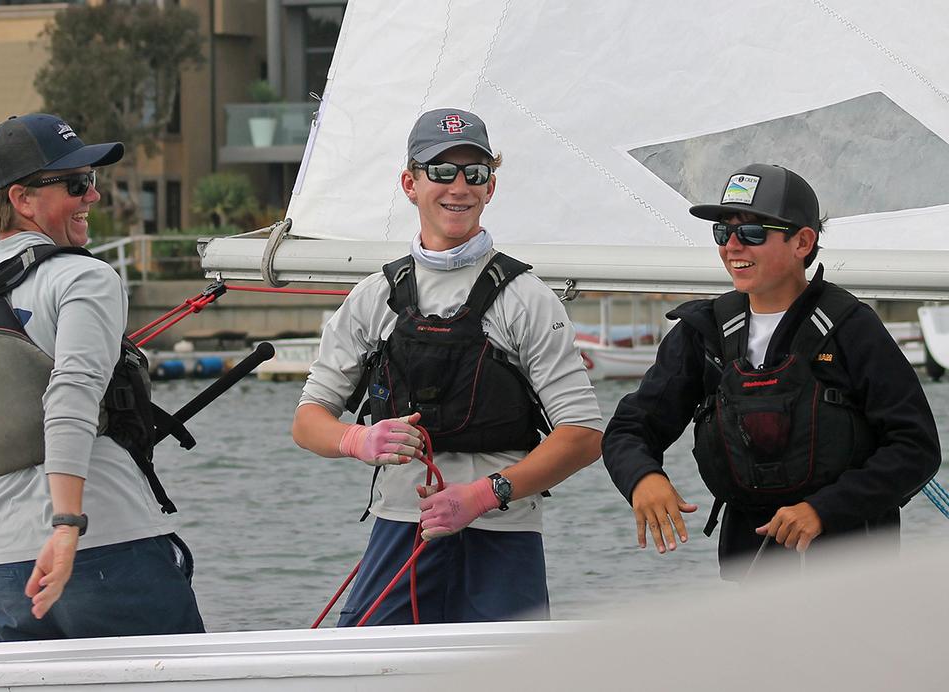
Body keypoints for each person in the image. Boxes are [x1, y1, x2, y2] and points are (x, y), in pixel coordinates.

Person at [292, 108, 603, 624]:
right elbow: (308, 421)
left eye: (474, 173)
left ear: (490, 187)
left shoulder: (529, 300)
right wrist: (356, 440)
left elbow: (584, 435)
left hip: (504, 529)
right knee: (361, 666)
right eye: (440, 171)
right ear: (410, 184)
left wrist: (484, 496)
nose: (458, 186)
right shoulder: (374, 297)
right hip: (402, 525)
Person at [0, 113, 205, 641]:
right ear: (21, 199)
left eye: (91, 182)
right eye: (77, 184)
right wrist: (65, 524)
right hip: (108, 550)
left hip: (9, 572)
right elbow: (71, 399)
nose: (92, 198)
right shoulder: (86, 276)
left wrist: (26, 467)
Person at [602, 163, 941, 580]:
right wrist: (643, 478)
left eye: (753, 233)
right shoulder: (704, 333)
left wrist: (823, 510)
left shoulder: (853, 328)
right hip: (752, 573)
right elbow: (629, 428)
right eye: (723, 233)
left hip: (855, 576)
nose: (733, 247)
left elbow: (916, 448)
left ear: (802, 241)